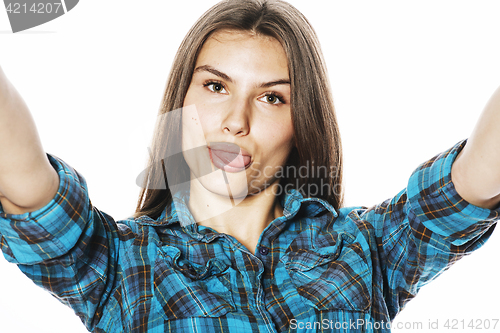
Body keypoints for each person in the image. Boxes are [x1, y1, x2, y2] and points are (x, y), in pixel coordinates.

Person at [0, 0, 499, 332]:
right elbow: (24, 181)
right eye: (216, 87)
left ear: (301, 123)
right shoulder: (119, 264)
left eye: (272, 98)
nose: (235, 121)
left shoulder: (367, 248)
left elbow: (475, 179)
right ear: (183, 101)